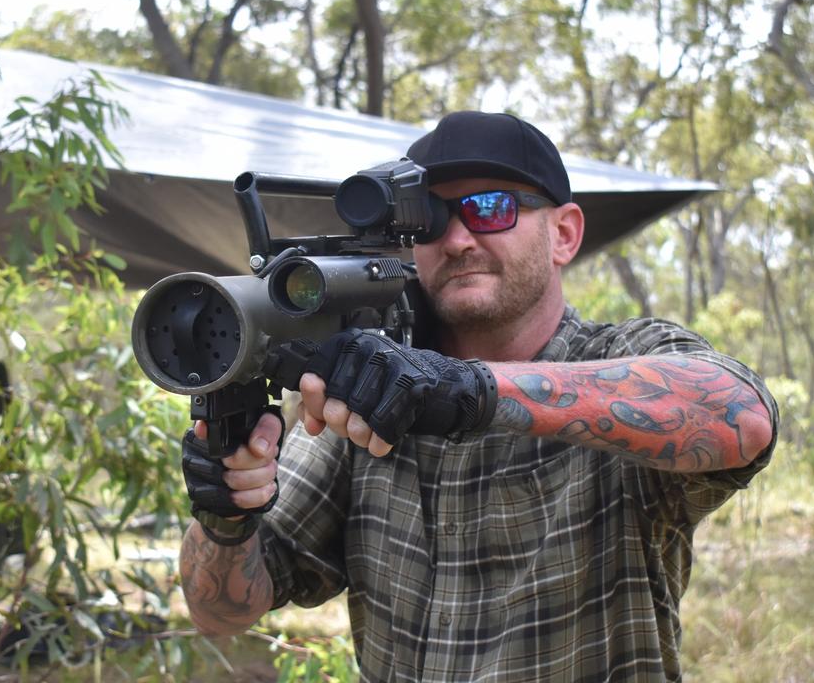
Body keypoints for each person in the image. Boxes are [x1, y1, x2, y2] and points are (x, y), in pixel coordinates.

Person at [177, 111, 778, 682]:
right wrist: (225, 515)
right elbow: (222, 613)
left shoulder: (616, 357)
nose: (459, 239)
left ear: (564, 233)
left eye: (489, 209)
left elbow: (740, 415)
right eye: (431, 221)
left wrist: (472, 389)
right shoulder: (369, 389)